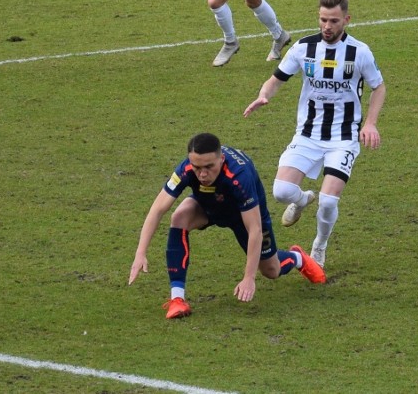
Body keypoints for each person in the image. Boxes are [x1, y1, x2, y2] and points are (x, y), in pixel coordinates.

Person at [244, 0, 386, 268]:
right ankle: (302, 199)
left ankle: (319, 246)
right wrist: (264, 95)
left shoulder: (360, 52)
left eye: (334, 20)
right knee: (282, 192)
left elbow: (378, 87)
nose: (327, 26)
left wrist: (370, 123)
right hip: (308, 134)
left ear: (346, 19)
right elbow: (277, 78)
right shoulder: (302, 47)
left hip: (343, 138)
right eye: (323, 20)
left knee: (329, 201)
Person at [129, 133, 325, 319]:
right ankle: (177, 299)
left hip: (245, 215)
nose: (202, 174)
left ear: (221, 159)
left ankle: (298, 258)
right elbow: (157, 209)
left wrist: (249, 278)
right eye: (197, 167)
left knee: (271, 271)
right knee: (179, 217)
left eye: (208, 167)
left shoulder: (239, 176)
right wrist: (140, 252)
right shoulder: (186, 169)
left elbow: (254, 229)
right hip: (209, 205)